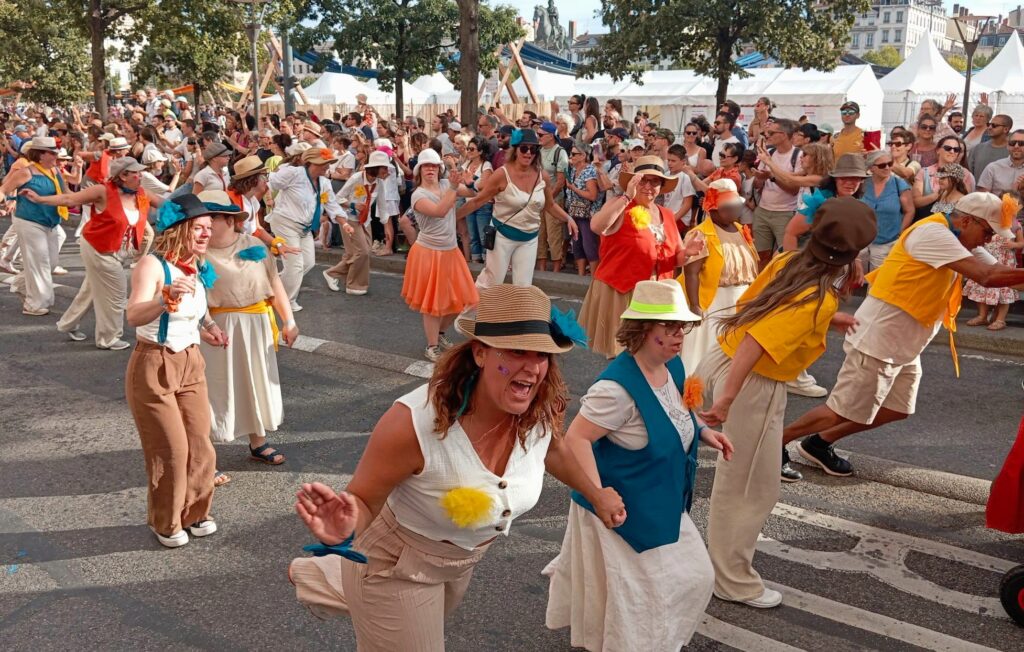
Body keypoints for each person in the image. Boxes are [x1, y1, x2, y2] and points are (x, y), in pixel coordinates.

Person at [288, 285, 625, 650]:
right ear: (480, 353)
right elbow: (365, 501)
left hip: (458, 564)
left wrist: (596, 494)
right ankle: (347, 574)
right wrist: (344, 530)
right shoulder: (412, 423)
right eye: (517, 351)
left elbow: (553, 450)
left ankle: (325, 580)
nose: (533, 367)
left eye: (543, 354)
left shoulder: (539, 405)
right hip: (394, 564)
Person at [697, 197, 878, 608]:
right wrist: (726, 400)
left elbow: (773, 308)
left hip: (726, 360)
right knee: (749, 487)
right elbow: (760, 340)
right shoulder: (817, 297)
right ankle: (731, 579)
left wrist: (831, 318)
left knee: (744, 481)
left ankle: (722, 568)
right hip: (751, 380)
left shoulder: (789, 262)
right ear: (852, 255)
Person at [543, 280, 733, 651]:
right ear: (644, 330)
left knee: (693, 578)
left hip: (661, 500)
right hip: (624, 510)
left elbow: (676, 412)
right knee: (640, 597)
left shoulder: (672, 366)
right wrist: (598, 495)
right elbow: (576, 439)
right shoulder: (614, 391)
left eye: (684, 326)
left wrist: (703, 430)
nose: (681, 334)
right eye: (671, 327)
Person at [782, 193, 1024, 478]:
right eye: (987, 232)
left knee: (897, 409)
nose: (988, 240)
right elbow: (986, 276)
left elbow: (996, 270)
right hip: (880, 337)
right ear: (968, 220)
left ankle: (818, 443)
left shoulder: (959, 236)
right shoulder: (932, 232)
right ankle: (775, 442)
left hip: (904, 341)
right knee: (841, 410)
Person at [125, 194, 226, 548]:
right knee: (171, 450)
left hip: (191, 362)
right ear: (179, 229)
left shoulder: (193, 266)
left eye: (208, 229)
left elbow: (195, 311)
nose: (204, 235)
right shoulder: (152, 266)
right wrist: (161, 298)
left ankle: (195, 513)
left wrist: (210, 327)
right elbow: (134, 316)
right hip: (154, 363)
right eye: (198, 228)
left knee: (201, 446)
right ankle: (165, 522)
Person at [198, 190, 297, 486]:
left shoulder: (254, 245)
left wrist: (289, 320)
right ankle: (206, 456)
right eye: (199, 220)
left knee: (255, 382)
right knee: (216, 387)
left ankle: (257, 442)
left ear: (228, 220)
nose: (202, 226)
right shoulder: (196, 252)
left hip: (256, 323)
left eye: (209, 219)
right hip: (217, 326)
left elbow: (274, 283)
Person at [20, 156, 158, 350]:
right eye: (135, 172)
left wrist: (198, 210)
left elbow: (168, 205)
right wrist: (40, 198)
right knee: (117, 294)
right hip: (97, 249)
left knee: (92, 289)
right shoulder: (102, 191)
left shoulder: (141, 194)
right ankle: (108, 338)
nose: (140, 176)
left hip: (119, 251)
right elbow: (69, 199)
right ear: (123, 176)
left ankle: (67, 323)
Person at [579, 155, 700, 358]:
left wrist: (687, 253)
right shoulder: (621, 205)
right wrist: (626, 196)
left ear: (661, 186)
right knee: (624, 354)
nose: (648, 186)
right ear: (634, 181)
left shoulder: (667, 214)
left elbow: (675, 257)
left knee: (650, 353)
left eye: (655, 182)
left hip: (656, 294)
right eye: (643, 179)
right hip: (623, 291)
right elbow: (597, 226)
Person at [456, 129, 578, 289]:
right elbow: (477, 201)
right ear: (515, 150)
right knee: (490, 284)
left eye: (533, 149)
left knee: (523, 287)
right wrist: (451, 217)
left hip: (529, 239)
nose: (529, 153)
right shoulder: (502, 174)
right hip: (502, 236)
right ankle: (470, 314)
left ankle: (517, 314)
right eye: (524, 148)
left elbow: (550, 205)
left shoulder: (543, 176)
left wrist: (568, 219)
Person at [401, 149, 478, 361]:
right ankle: (432, 346)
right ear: (419, 170)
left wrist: (471, 181)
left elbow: (473, 193)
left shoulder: (446, 185)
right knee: (432, 305)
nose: (430, 169)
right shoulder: (418, 194)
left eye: (434, 166)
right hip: (428, 253)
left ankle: (441, 335)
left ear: (439, 168)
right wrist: (454, 186)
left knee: (463, 300)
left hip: (450, 251)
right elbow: (440, 211)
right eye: (426, 166)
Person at [680, 179, 759, 372]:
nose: (734, 212)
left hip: (741, 301)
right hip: (714, 301)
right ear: (712, 209)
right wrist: (695, 306)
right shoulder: (701, 234)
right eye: (727, 207)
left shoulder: (741, 230)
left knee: (735, 349)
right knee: (709, 349)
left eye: (735, 206)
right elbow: (692, 273)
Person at [268, 147, 343, 311]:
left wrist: (344, 223)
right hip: (285, 222)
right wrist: (266, 198)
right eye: (324, 163)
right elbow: (270, 182)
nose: (327, 167)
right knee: (294, 266)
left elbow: (333, 205)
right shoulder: (294, 173)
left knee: (308, 263)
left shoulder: (324, 182)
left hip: (305, 228)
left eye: (329, 163)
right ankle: (285, 302)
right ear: (311, 163)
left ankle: (272, 286)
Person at [0, 137, 68, 315]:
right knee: (40, 262)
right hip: (29, 221)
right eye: (52, 152)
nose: (56, 155)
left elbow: (67, 194)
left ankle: (20, 284)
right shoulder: (26, 172)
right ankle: (34, 304)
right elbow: (4, 189)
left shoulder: (55, 171)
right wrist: (4, 202)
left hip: (51, 221)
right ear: (40, 154)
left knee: (51, 263)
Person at [322, 151, 388, 296]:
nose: (387, 171)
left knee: (356, 253)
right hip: (349, 219)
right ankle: (355, 285)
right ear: (376, 167)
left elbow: (383, 204)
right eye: (384, 168)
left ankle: (332, 274)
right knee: (362, 252)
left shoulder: (380, 183)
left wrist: (385, 224)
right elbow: (338, 198)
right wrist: (353, 205)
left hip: (366, 221)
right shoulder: (356, 178)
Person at [964, 195, 1024, 331]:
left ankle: (1000, 319)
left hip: (1004, 261)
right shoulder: (990, 221)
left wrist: (1013, 244)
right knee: (982, 286)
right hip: (988, 257)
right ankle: (982, 315)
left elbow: (1022, 243)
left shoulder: (1015, 224)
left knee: (1004, 289)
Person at [752, 119, 802, 263]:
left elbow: (793, 189)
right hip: (763, 210)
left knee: (784, 257)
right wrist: (759, 178)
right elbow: (758, 185)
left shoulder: (798, 156)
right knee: (760, 256)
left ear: (784, 135)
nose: (767, 136)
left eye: (771, 133)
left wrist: (772, 176)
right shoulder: (769, 153)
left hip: (785, 213)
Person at [861, 149, 914, 271]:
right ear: (871, 168)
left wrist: (900, 233)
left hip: (887, 242)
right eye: (881, 165)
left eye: (889, 164)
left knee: (877, 283)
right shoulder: (862, 184)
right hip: (861, 242)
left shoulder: (899, 184)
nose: (887, 168)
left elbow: (909, 211)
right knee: (853, 280)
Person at [564, 143, 602, 276]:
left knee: (589, 245)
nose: (571, 156)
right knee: (577, 245)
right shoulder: (574, 170)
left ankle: (594, 276)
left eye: (574, 154)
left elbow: (592, 195)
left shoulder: (589, 170)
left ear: (583, 156)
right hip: (574, 212)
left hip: (588, 215)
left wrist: (573, 188)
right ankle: (581, 275)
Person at [537, 122, 569, 273]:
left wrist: (548, 199)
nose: (539, 137)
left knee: (554, 235)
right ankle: (542, 268)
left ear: (551, 136)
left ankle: (556, 269)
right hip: (538, 199)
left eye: (541, 135)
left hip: (553, 199)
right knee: (540, 234)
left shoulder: (560, 152)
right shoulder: (539, 150)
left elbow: (560, 182)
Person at [977, 129, 1024, 195]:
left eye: (1022, 143)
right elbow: (982, 198)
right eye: (1012, 143)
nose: (1016, 146)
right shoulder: (993, 168)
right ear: (1007, 146)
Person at [968, 114, 1012, 180]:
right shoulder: (977, 149)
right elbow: (969, 175)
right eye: (989, 124)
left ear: (1005, 129)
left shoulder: (1013, 151)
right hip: (978, 190)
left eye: (994, 125)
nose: (989, 127)